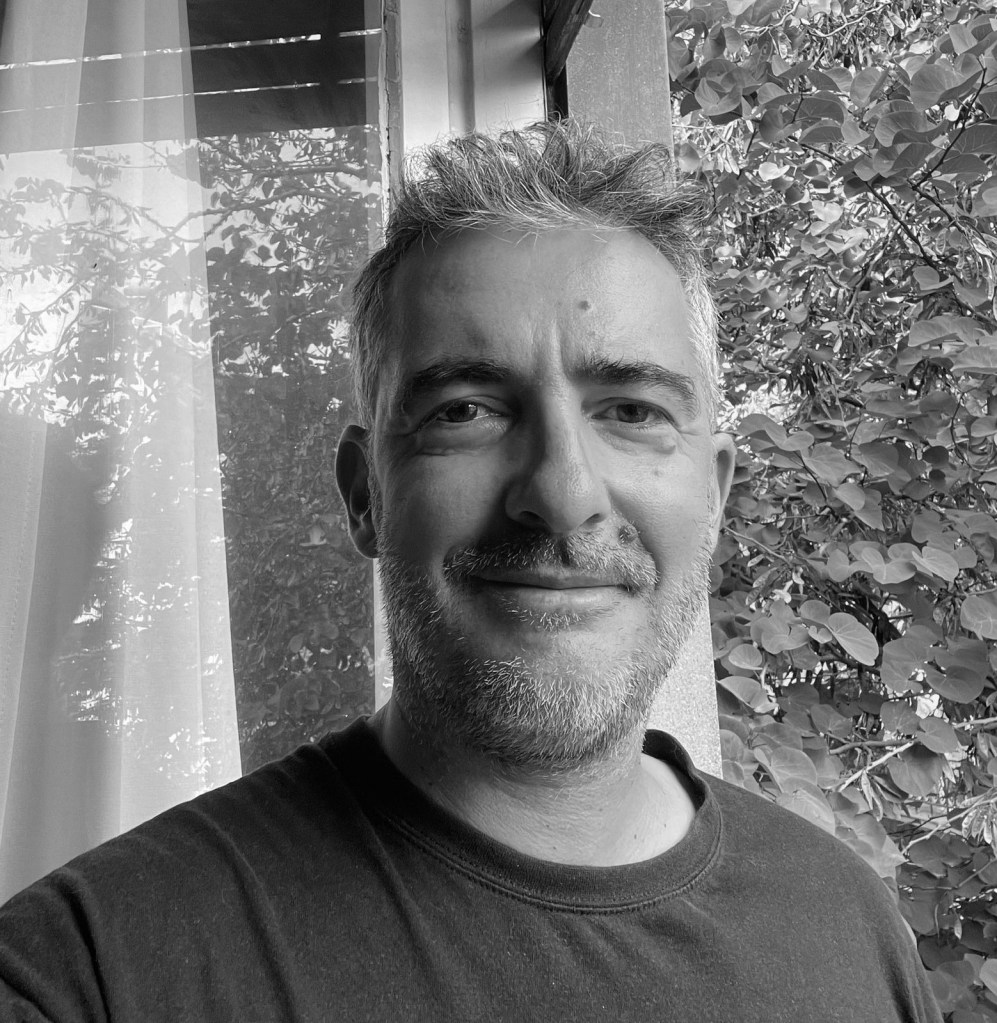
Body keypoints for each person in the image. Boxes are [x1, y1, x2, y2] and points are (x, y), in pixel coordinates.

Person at [0, 120, 940, 1022]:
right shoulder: (87, 974)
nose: (562, 493)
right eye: (465, 410)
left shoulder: (850, 929)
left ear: (716, 491)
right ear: (365, 495)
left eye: (631, 410)